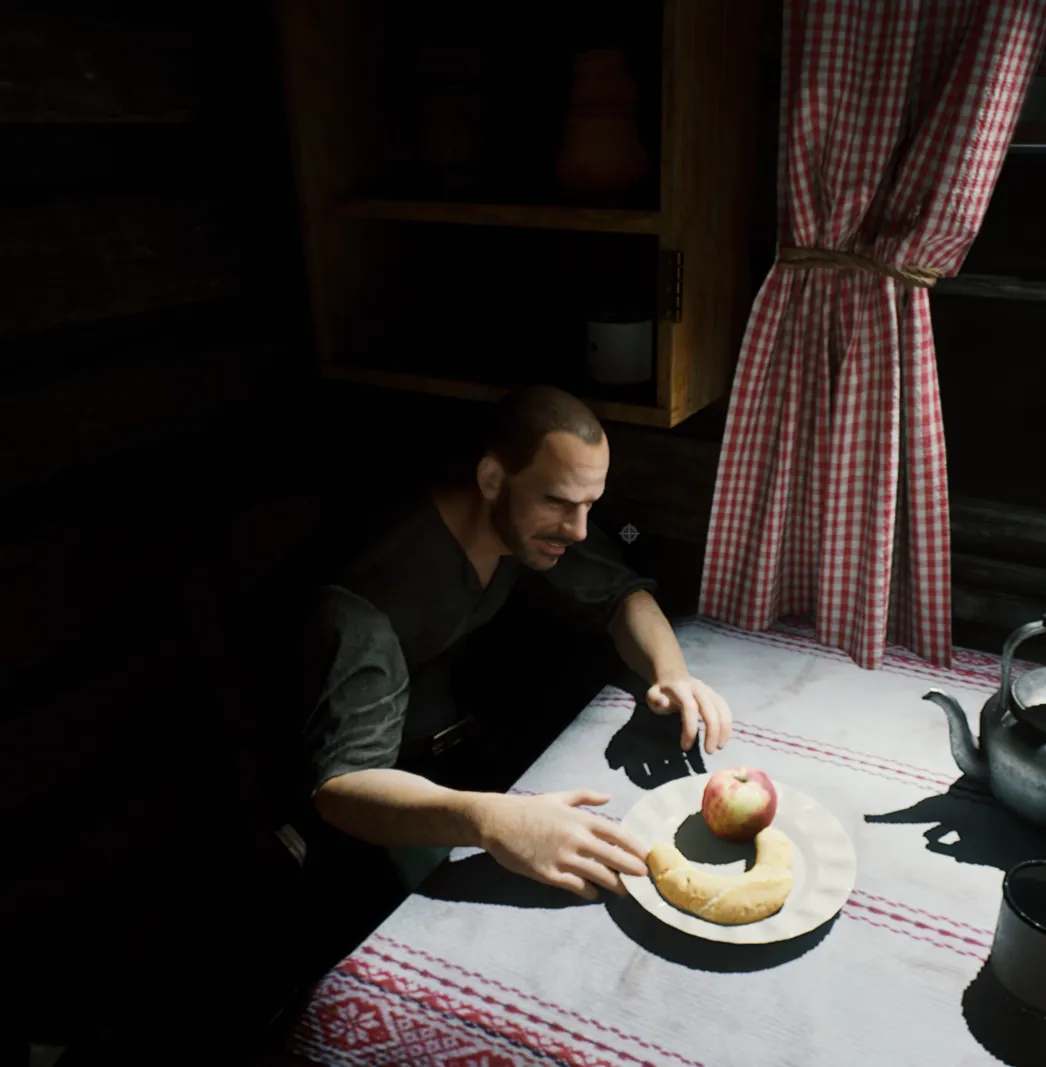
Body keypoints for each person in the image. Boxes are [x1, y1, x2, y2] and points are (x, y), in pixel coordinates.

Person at [297, 385, 735, 920]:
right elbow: (341, 788)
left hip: (466, 748)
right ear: (490, 479)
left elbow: (621, 595)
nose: (577, 530)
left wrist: (673, 674)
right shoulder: (368, 597)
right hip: (380, 804)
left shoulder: (525, 525)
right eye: (557, 502)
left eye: (589, 505)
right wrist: (492, 819)